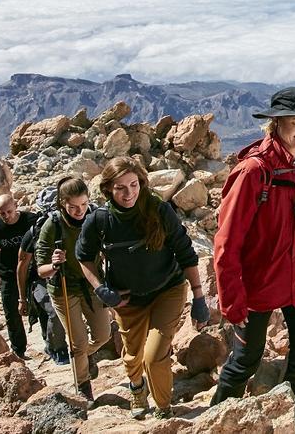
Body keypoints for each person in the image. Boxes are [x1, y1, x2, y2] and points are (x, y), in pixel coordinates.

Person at [210, 87, 295, 431]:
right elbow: (226, 242)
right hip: (259, 284)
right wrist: (232, 302)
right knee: (245, 361)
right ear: (275, 124)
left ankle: (292, 418)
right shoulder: (254, 171)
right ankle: (217, 422)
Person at [77, 156, 208, 420]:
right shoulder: (100, 220)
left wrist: (199, 298)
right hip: (127, 299)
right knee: (132, 355)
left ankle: (163, 407)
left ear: (142, 183)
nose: (129, 193)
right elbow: (84, 257)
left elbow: (185, 252)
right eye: (121, 188)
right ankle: (137, 388)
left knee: (155, 354)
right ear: (108, 189)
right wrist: (101, 289)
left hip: (166, 290)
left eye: (134, 185)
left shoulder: (159, 210)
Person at [35, 177, 112, 400]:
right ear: (62, 204)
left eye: (83, 204)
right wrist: (55, 264)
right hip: (63, 289)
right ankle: (84, 386)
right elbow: (41, 270)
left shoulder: (95, 218)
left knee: (103, 335)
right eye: (72, 207)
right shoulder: (53, 226)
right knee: (77, 343)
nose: (79, 211)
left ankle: (85, 358)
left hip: (91, 286)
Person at [16, 187, 70, 365]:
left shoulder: (73, 224)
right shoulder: (35, 232)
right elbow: (22, 265)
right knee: (54, 311)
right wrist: (22, 299)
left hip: (66, 275)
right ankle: (57, 348)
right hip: (39, 281)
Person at [0, 194, 37, 359]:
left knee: (42, 305)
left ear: (16, 206)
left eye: (9, 211)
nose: (6, 216)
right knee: (11, 312)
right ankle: (19, 350)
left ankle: (52, 344)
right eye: (2, 213)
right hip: (8, 273)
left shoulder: (31, 220)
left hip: (32, 271)